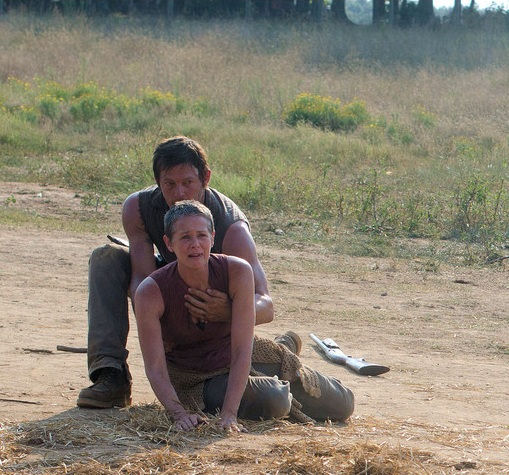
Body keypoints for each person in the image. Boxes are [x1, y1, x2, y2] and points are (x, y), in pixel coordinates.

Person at [77, 136, 274, 409]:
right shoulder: (138, 208)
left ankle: (277, 349)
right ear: (157, 181)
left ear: (205, 178)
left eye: (188, 183)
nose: (180, 193)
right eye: (169, 184)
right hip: (168, 289)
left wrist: (228, 310)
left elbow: (266, 305)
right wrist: (158, 327)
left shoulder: (231, 227)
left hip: (212, 306)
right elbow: (142, 279)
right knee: (106, 258)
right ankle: (110, 375)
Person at [134, 200, 355, 430]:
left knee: (344, 404)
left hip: (241, 357)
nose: (195, 245)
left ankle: (282, 353)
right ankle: (281, 363)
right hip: (197, 378)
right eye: (185, 237)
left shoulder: (237, 271)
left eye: (201, 235)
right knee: (276, 399)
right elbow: (155, 367)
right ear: (169, 243)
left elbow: (241, 350)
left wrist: (229, 414)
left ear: (212, 237)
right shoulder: (151, 291)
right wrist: (179, 414)